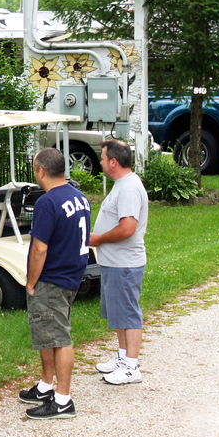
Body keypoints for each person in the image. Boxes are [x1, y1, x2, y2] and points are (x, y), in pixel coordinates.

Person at [19, 148, 91, 419]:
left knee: (59, 337)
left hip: (52, 278)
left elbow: (39, 248)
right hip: (71, 274)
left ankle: (62, 400)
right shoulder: (80, 197)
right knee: (48, 334)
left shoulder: (47, 203)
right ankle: (46, 386)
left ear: (41, 171)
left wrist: (30, 282)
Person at [90, 139, 148, 385]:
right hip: (114, 263)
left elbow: (127, 228)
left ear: (114, 162)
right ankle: (123, 357)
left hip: (125, 263)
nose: (101, 163)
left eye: (103, 159)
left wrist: (99, 239)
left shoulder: (129, 189)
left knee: (128, 313)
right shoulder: (121, 184)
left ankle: (131, 367)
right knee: (119, 314)